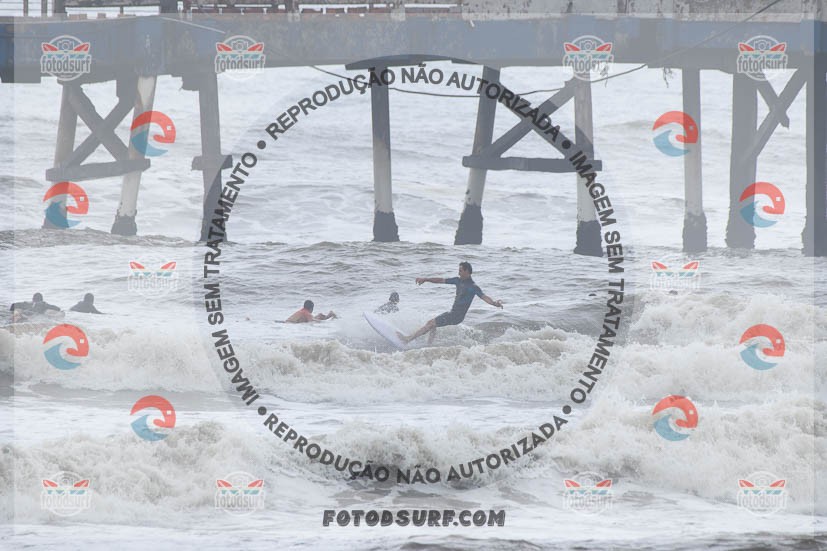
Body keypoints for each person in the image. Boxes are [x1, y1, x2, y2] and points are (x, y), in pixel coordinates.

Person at [398, 262, 503, 344]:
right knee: (432, 325)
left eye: (460, 271)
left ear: (467, 271)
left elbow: (484, 297)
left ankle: (407, 339)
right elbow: (441, 280)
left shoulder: (473, 287)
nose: (459, 273)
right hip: (452, 313)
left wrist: (494, 303)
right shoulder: (457, 281)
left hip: (456, 316)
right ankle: (429, 345)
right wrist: (426, 279)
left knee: (430, 323)